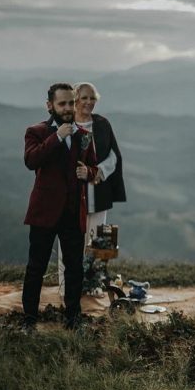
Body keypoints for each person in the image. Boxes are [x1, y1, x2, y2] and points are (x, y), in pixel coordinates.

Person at [21, 83, 98, 332]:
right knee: (36, 267)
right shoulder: (36, 131)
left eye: (71, 103)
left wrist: (88, 172)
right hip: (44, 213)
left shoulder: (84, 135)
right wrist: (57, 137)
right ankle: (29, 320)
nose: (67, 108)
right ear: (50, 106)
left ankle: (73, 320)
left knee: (74, 269)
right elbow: (31, 161)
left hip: (73, 212)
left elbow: (94, 168)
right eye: (62, 104)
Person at [57, 82, 126, 296]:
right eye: (84, 97)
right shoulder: (65, 126)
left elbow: (113, 157)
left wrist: (95, 172)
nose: (88, 102)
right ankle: (66, 285)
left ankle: (94, 284)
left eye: (92, 98)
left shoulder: (102, 124)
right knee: (68, 240)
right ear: (75, 99)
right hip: (71, 195)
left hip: (98, 192)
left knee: (97, 239)